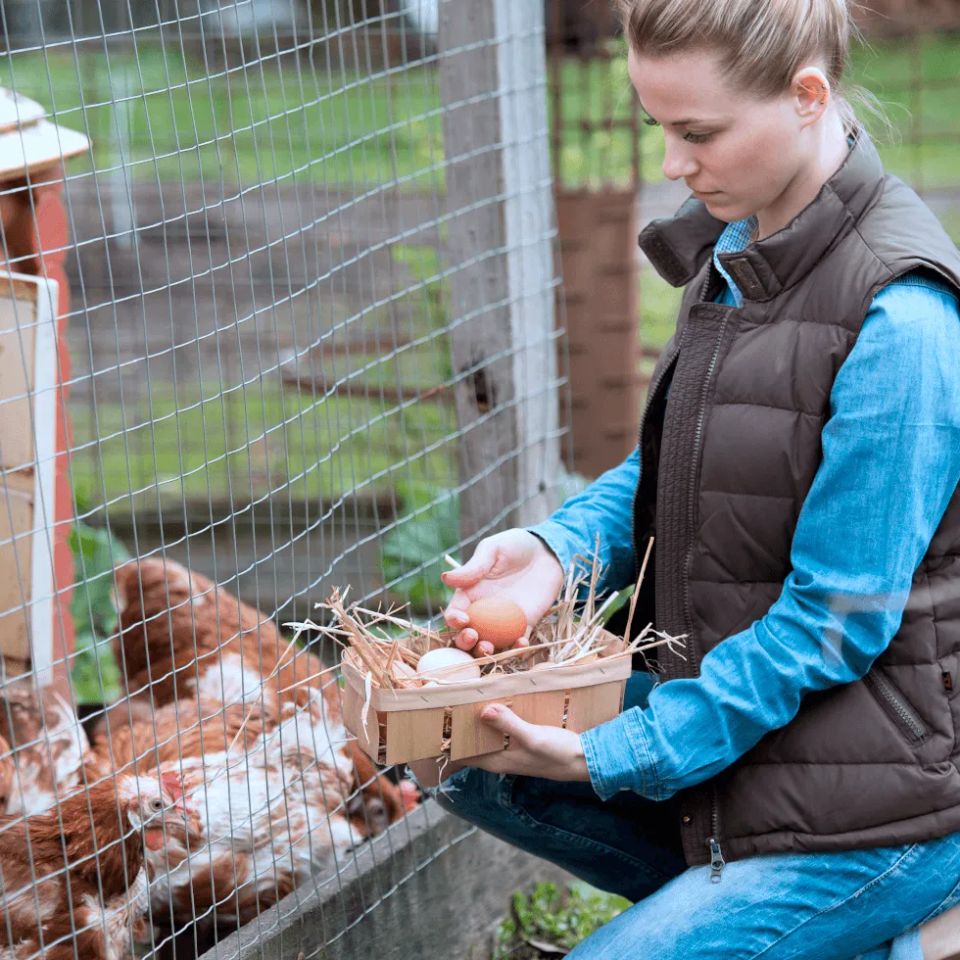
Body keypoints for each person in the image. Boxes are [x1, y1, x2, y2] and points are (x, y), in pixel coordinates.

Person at [413, 1, 960, 957]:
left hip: (883, 803)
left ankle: (887, 920)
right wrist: (556, 551)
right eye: (657, 126)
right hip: (759, 738)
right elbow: (681, 468)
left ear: (805, 98)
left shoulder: (902, 322)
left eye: (697, 132)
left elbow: (834, 621)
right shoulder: (745, 248)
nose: (672, 164)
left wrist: (613, 751)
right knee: (464, 750)